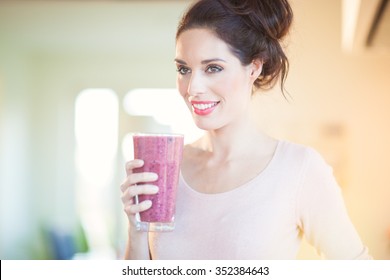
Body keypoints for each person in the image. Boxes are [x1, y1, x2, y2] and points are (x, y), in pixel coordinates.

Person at [120, 0, 371, 259]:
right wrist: (136, 229)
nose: (193, 87)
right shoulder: (169, 172)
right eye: (184, 69)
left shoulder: (299, 168)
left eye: (213, 68)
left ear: (254, 67)